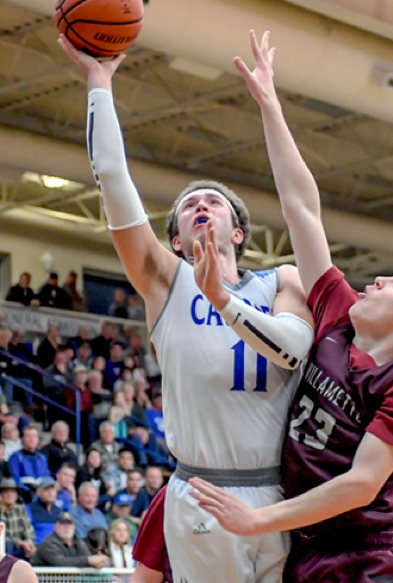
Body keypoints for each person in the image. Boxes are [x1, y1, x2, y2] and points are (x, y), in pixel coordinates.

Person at [188, 30, 393, 583]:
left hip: (364, 557)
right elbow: (302, 208)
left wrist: (258, 519)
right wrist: (270, 106)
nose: (378, 279)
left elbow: (361, 484)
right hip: (305, 548)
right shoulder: (338, 313)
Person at [59, 32, 314, 583]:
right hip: (202, 489)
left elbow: (293, 351)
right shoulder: (165, 281)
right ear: (175, 240)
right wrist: (99, 84)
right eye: (189, 205)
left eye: (213, 202)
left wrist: (225, 300)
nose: (201, 205)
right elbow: (114, 182)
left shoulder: (283, 280)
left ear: (237, 231)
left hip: (280, 494)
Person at [31, 511, 109, 569]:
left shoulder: (78, 542)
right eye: (62, 524)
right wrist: (89, 560)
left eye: (69, 524)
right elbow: (60, 562)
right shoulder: (48, 544)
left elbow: (87, 558)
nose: (66, 527)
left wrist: (97, 563)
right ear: (55, 527)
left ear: (74, 527)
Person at [0, 478, 36, 560]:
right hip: (4, 549)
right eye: (6, 492)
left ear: (16, 495)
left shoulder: (21, 509)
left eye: (12, 492)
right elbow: (3, 536)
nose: (10, 495)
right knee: (8, 545)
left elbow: (29, 530)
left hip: (21, 548)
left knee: (35, 550)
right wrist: (20, 543)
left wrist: (29, 543)